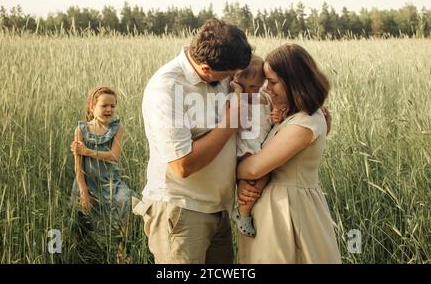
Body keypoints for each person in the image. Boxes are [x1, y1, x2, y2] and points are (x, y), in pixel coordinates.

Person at [136, 18, 257, 263]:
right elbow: (182, 164)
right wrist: (229, 124)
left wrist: (310, 110)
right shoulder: (167, 88)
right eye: (230, 76)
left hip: (218, 211)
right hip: (181, 212)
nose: (234, 81)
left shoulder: (221, 75)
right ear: (205, 69)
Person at [237, 43, 341, 263]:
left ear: (294, 81)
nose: (266, 89)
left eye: (273, 82)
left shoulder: (305, 123)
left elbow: (255, 168)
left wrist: (228, 170)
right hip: (275, 209)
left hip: (289, 213)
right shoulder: (291, 116)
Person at [70, 86, 135, 262]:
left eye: (113, 106)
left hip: (110, 181)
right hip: (87, 181)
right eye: (104, 105)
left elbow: (114, 156)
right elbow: (78, 166)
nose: (109, 109)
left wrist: (87, 151)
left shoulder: (117, 127)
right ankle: (78, 250)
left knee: (125, 202)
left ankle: (121, 249)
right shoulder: (81, 130)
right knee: (81, 217)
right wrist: (83, 191)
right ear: (92, 107)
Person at [229, 55, 283, 237]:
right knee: (255, 176)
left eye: (258, 87)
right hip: (246, 147)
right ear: (237, 80)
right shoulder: (237, 99)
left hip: (262, 145)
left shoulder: (265, 98)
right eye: (250, 86)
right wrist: (236, 91)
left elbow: (273, 116)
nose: (254, 91)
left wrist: (276, 116)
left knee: (263, 175)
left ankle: (243, 209)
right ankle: (243, 212)